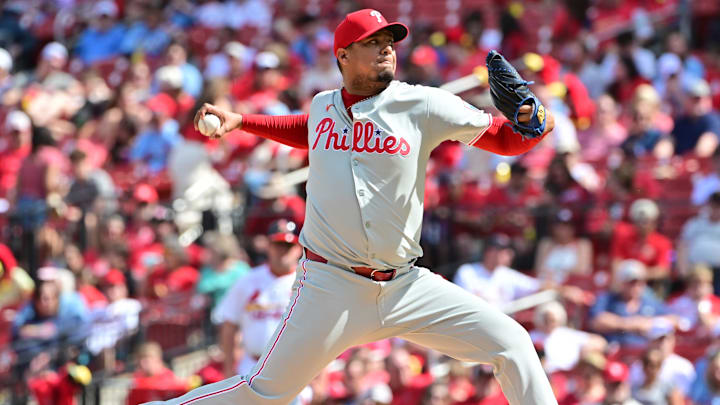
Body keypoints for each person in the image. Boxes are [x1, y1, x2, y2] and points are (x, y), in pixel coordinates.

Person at [149, 9, 558, 405]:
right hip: (330, 286)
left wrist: (533, 116)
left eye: (389, 42)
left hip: (405, 286)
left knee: (513, 344)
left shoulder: (423, 104)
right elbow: (307, 129)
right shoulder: (323, 105)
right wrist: (244, 121)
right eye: (373, 42)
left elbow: (509, 140)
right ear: (343, 55)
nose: (386, 49)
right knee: (265, 393)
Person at [212, 220, 303, 378]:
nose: (282, 251)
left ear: (299, 249)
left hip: (295, 367)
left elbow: (321, 328)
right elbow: (228, 324)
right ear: (268, 246)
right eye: (277, 245)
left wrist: (321, 376)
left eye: (288, 246)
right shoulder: (249, 280)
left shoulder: (307, 282)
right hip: (252, 364)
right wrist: (228, 366)